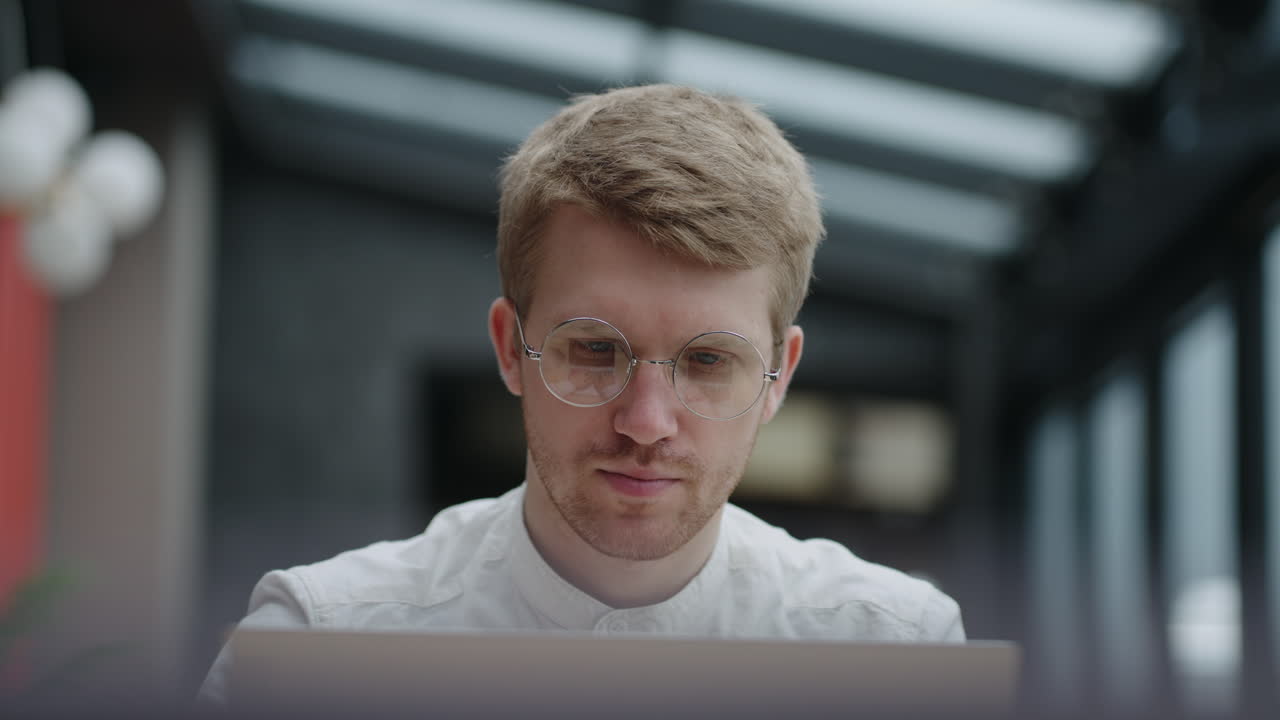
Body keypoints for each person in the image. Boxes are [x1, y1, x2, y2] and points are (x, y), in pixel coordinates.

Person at [197, 84, 963, 706]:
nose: (647, 423)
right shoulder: (317, 651)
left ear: (778, 378)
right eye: (596, 350)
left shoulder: (895, 653)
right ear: (510, 349)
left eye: (707, 361)